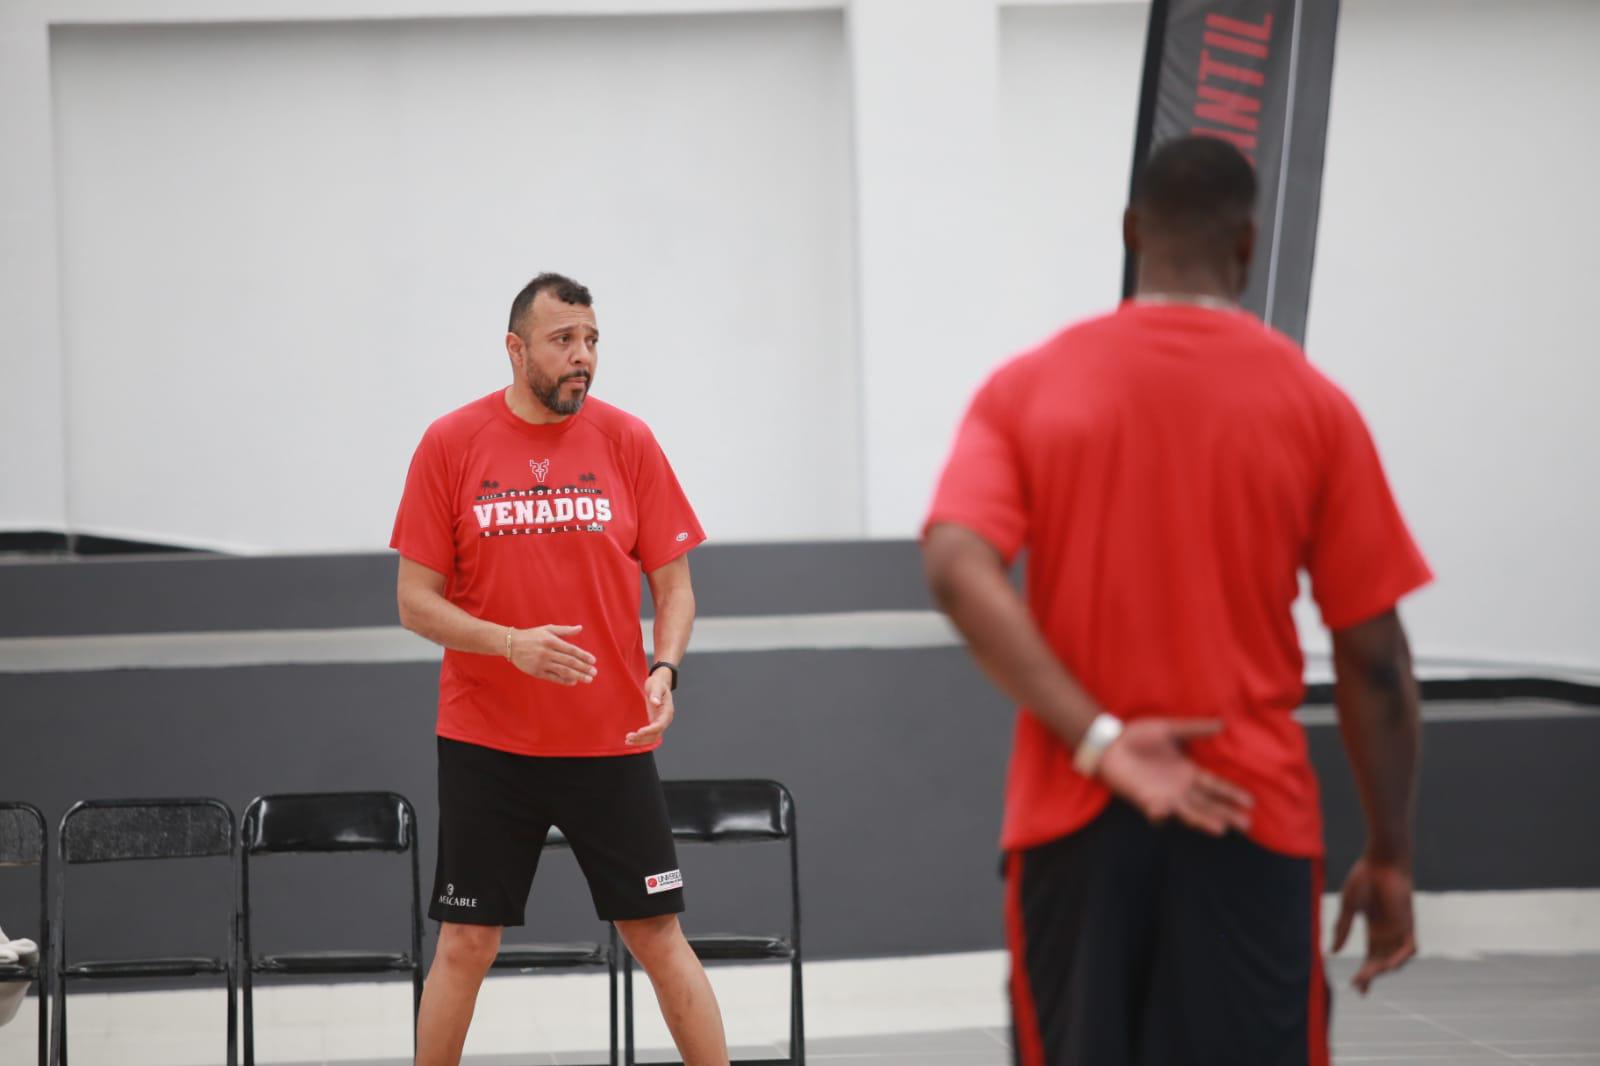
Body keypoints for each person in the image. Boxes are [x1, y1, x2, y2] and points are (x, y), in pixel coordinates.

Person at [921, 136, 1432, 1066]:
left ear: (1131, 234)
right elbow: (1375, 660)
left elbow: (957, 565)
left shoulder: (1028, 386)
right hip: (1250, 818)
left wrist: (1102, 741)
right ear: (1247, 246)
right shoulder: (1314, 404)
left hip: (1074, 821)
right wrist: (1391, 852)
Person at [392, 272, 729, 1066]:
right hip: (488, 743)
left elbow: (675, 586)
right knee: (467, 942)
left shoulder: (627, 440)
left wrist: (665, 670)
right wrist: (509, 642)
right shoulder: (452, 442)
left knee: (657, 936)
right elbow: (414, 602)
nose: (583, 357)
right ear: (516, 349)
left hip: (610, 741)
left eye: (592, 341)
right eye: (563, 341)